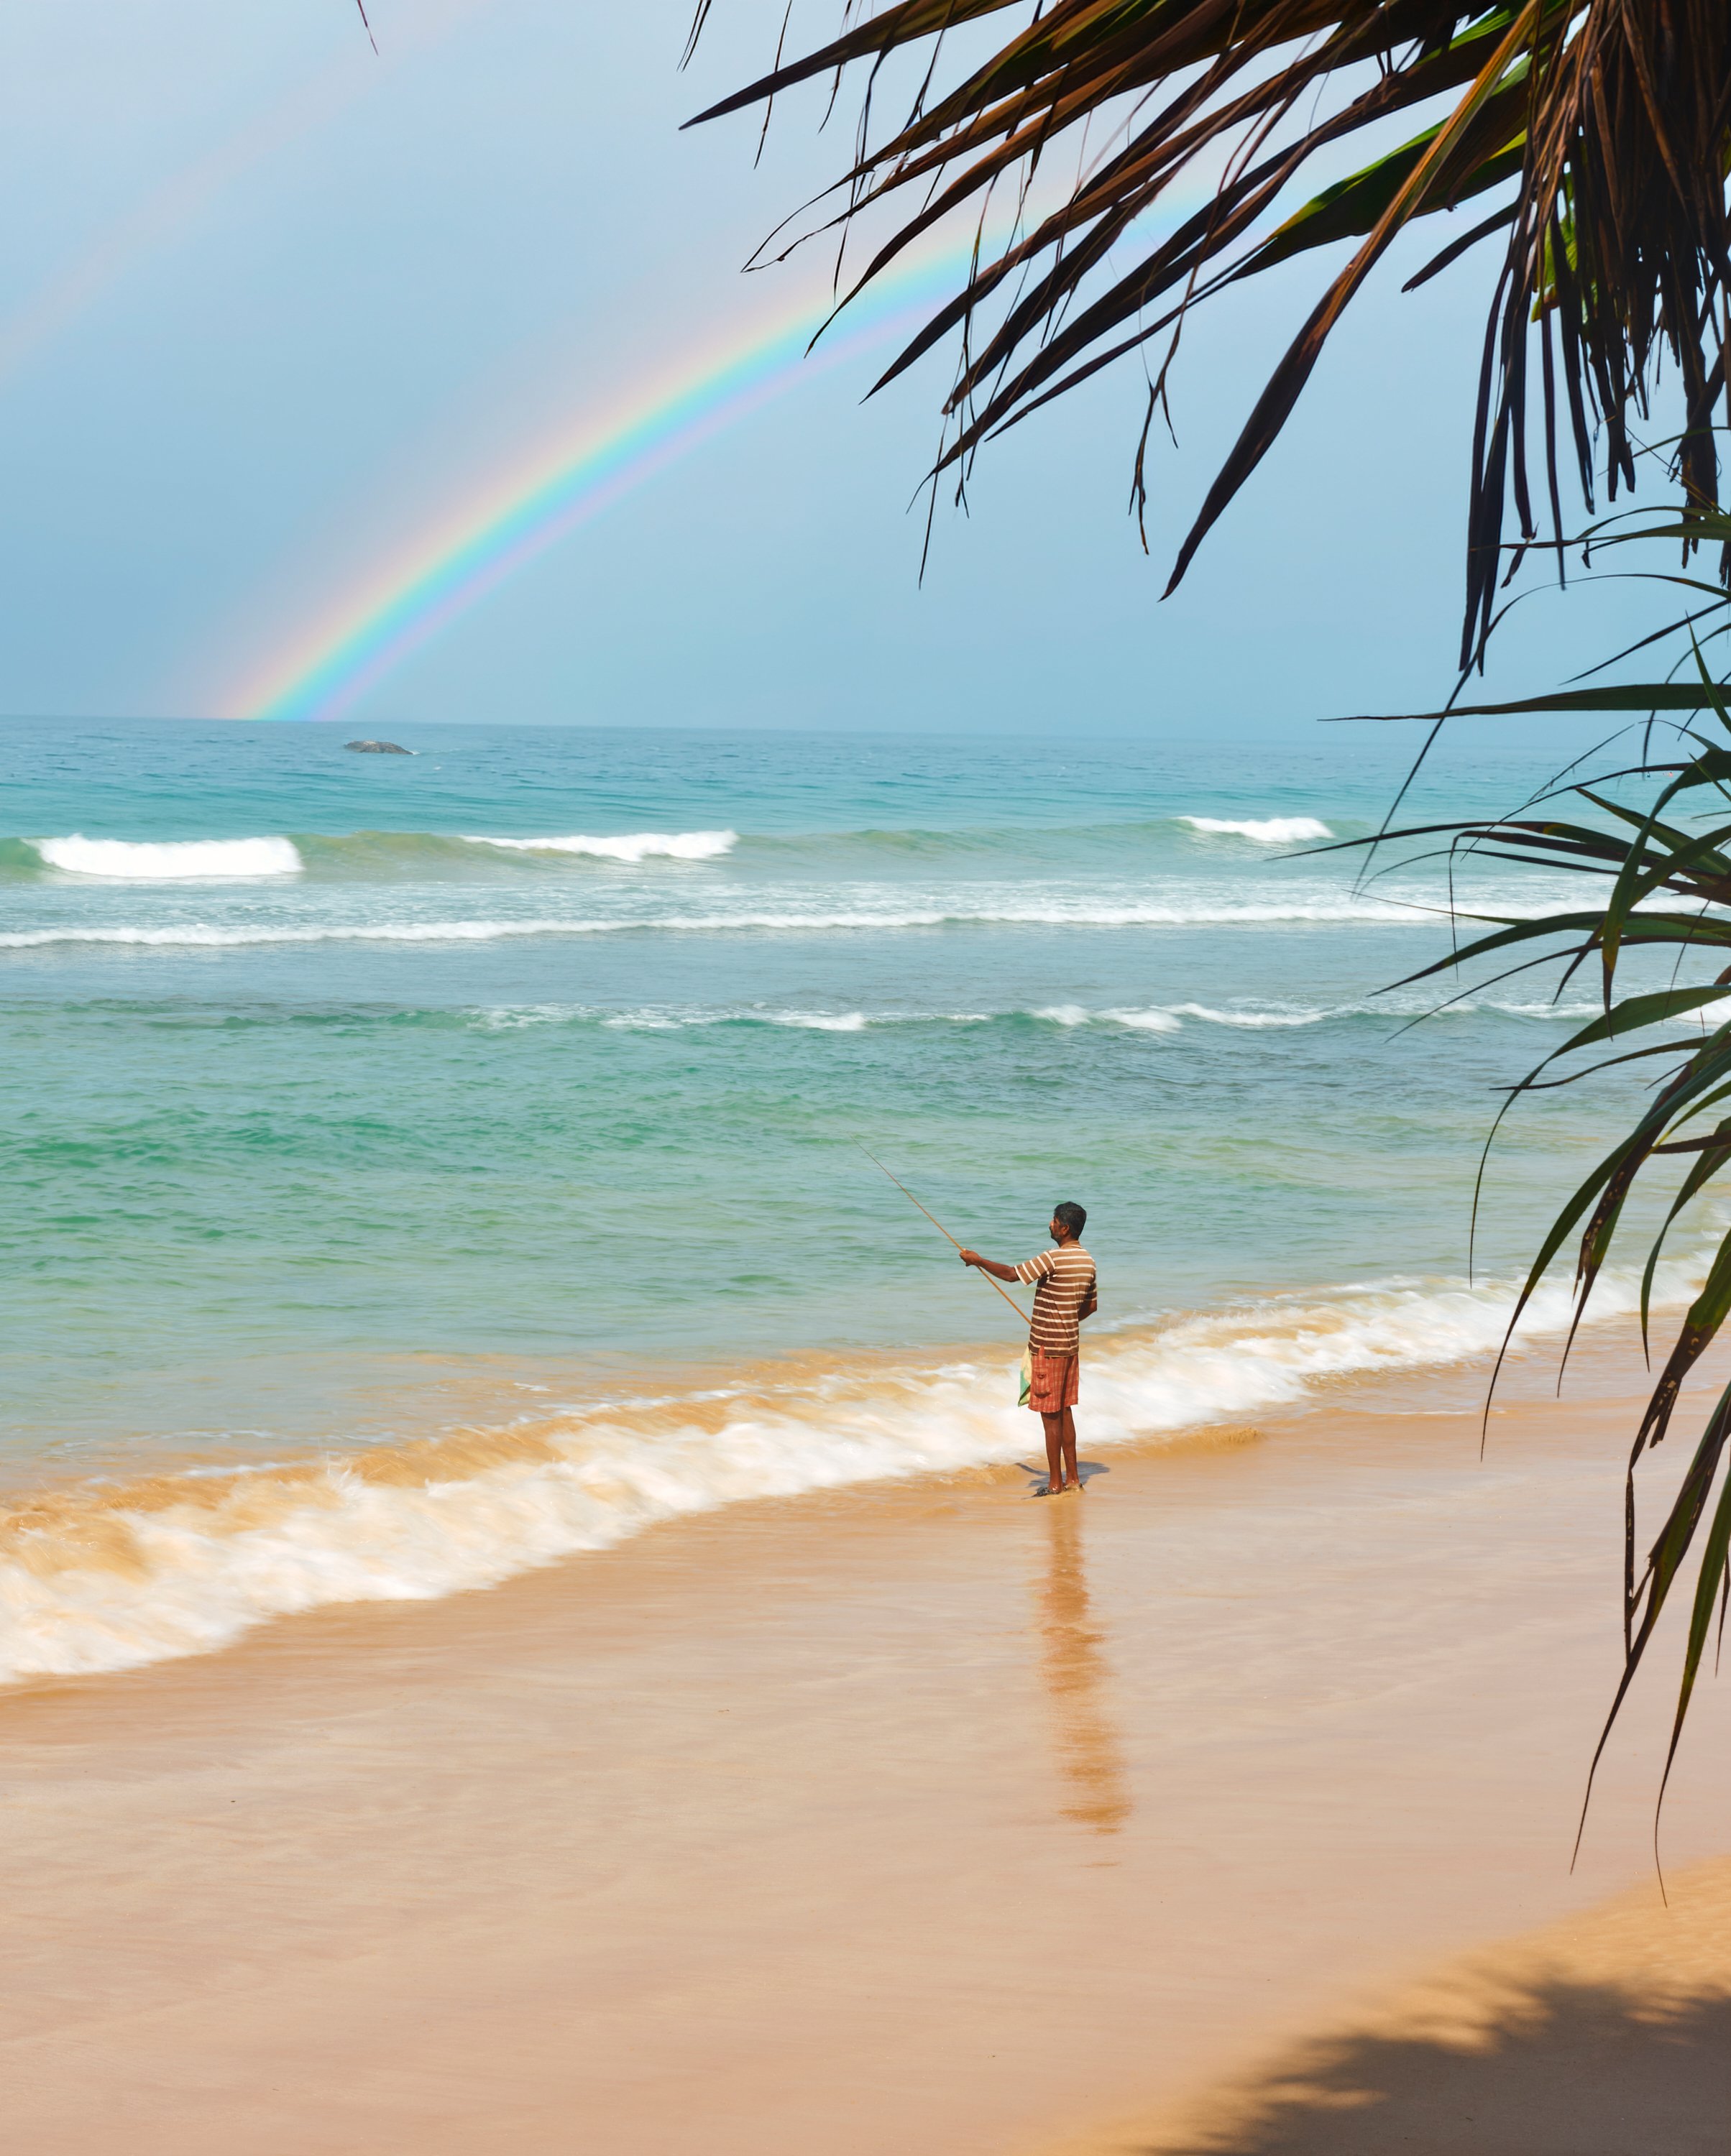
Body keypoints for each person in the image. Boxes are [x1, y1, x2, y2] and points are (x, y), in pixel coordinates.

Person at [960, 1203, 1096, 1495]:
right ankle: (1073, 1479)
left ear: (1065, 1229)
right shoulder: (1088, 1261)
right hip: (1070, 1346)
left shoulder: (1054, 1258)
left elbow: (1012, 1275)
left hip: (1048, 1349)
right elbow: (1091, 1307)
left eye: (1054, 1221)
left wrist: (978, 1260)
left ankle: (1055, 1484)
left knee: (1050, 1418)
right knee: (1066, 1412)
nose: (1050, 1224)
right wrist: (1063, 1319)